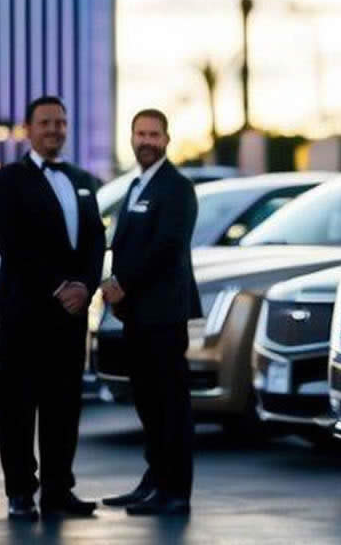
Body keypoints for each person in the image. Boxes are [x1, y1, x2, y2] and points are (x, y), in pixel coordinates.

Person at [0, 95, 105, 521]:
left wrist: (86, 287)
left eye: (60, 123)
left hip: (70, 315)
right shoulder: (6, 181)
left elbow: (95, 240)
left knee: (64, 405)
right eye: (45, 123)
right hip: (24, 311)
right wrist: (59, 286)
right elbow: (13, 245)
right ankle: (20, 491)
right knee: (19, 406)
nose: (54, 129)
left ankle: (59, 491)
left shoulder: (84, 179)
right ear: (29, 129)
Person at [100, 108, 200, 517]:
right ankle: (154, 479)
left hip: (163, 314)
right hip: (137, 315)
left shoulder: (175, 188)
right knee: (147, 403)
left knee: (170, 406)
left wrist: (123, 283)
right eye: (140, 134)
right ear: (131, 138)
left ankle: (175, 492)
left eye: (153, 134)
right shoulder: (137, 185)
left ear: (166, 139)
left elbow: (166, 247)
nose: (146, 141)